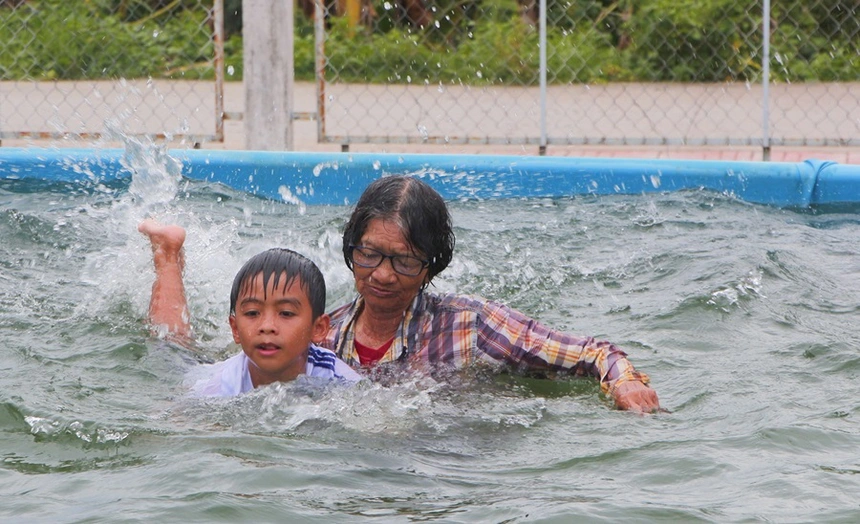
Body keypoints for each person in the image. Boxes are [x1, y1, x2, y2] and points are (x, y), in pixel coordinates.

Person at [321, 175, 661, 413]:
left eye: (405, 261)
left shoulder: (470, 327)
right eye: (368, 254)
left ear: (431, 265)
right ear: (350, 248)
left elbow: (594, 353)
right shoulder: (324, 338)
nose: (382, 274)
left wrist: (626, 383)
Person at [139, 219, 361, 397]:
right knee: (172, 347)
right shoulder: (216, 387)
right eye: (252, 313)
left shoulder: (341, 381)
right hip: (200, 372)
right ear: (235, 329)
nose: (267, 326)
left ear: (319, 328)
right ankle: (167, 256)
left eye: (286, 313)